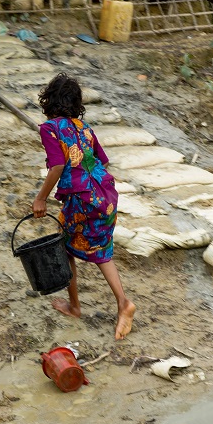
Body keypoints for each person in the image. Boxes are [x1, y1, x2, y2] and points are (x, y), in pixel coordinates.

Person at [32, 73, 136, 340]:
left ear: (49, 101)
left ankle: (76, 307)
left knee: (66, 247)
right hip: (105, 195)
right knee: (101, 250)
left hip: (81, 199)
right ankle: (123, 303)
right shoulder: (84, 127)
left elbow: (56, 166)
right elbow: (103, 161)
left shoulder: (50, 129)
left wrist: (41, 198)